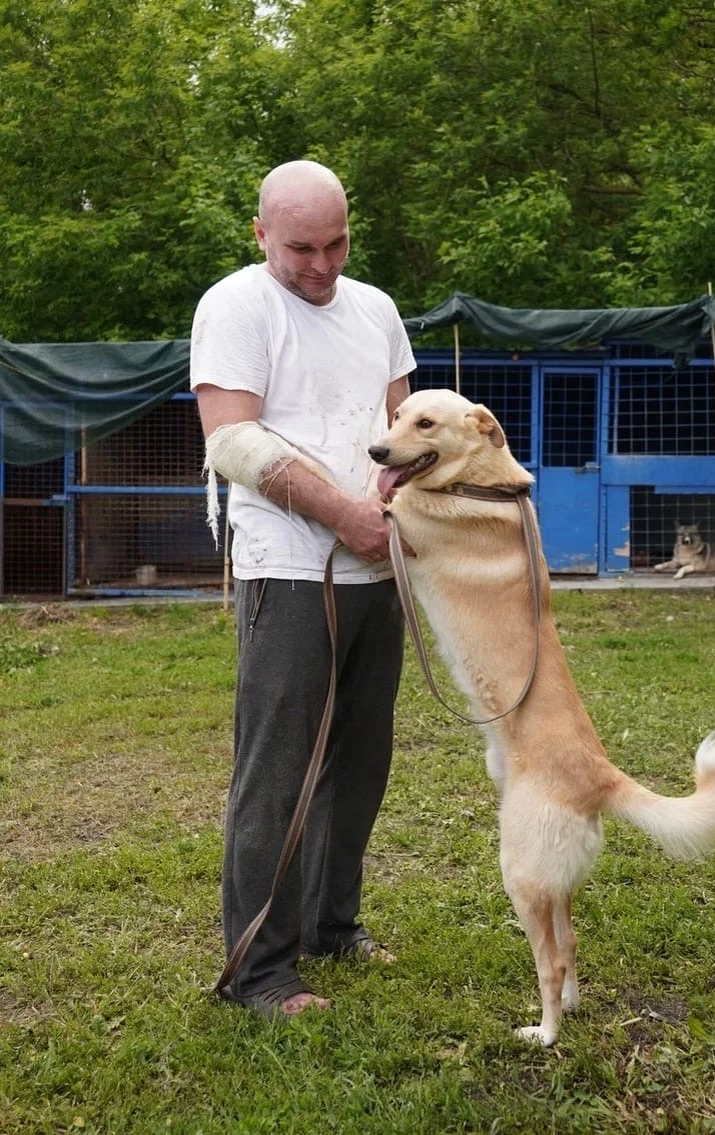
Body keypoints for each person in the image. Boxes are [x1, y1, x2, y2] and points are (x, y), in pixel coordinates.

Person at [190, 160, 416, 1020]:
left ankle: (330, 924)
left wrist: (401, 500)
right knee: (277, 771)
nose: (321, 265)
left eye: (336, 243)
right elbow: (233, 441)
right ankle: (258, 971)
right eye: (300, 248)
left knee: (358, 764)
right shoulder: (236, 305)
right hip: (286, 567)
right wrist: (343, 515)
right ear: (259, 235)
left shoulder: (377, 310)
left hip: (376, 567)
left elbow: (399, 429)